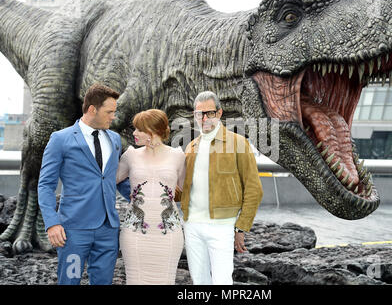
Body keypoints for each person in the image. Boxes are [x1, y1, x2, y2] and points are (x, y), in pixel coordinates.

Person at [38, 83, 130, 285]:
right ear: (92, 109)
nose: (113, 117)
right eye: (109, 112)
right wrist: (52, 223)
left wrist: (147, 199)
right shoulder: (60, 139)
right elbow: (45, 184)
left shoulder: (114, 139)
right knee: (69, 281)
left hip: (108, 228)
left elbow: (117, 179)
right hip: (73, 229)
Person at [181, 91, 263, 285]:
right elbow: (184, 188)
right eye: (198, 113)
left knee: (222, 282)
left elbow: (254, 189)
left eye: (208, 113)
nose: (203, 118)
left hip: (222, 225)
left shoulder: (238, 143)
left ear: (219, 113)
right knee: (199, 282)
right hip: (192, 224)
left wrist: (241, 227)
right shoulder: (191, 147)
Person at [116, 109, 186, 285]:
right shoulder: (131, 155)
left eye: (139, 129)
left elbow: (188, 191)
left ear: (152, 131)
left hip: (168, 233)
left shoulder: (178, 156)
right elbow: (107, 181)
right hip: (135, 233)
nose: (134, 133)